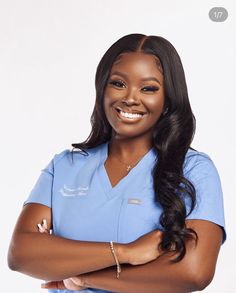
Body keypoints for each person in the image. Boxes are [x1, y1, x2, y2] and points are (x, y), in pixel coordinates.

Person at [8, 33, 226, 293]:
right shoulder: (65, 167)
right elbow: (20, 254)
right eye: (118, 83)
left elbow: (193, 272)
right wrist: (126, 252)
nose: (130, 98)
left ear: (168, 100)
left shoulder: (193, 170)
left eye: (148, 88)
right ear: (102, 89)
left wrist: (81, 277)